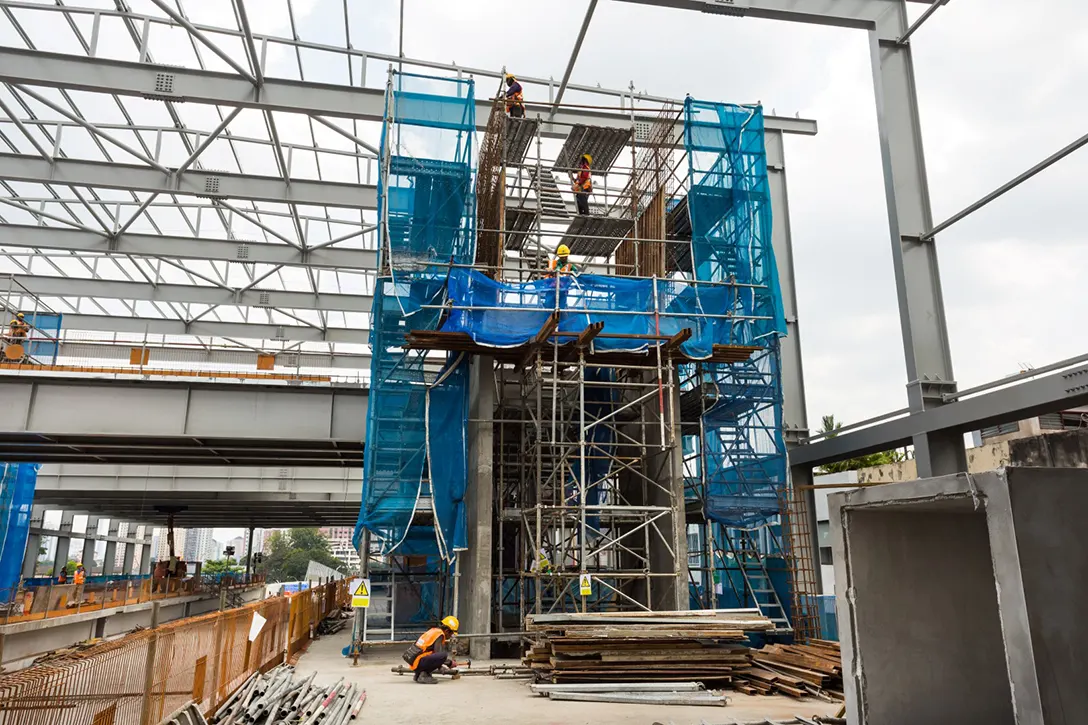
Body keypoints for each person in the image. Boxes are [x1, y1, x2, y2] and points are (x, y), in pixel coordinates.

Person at [402, 615, 459, 684]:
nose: (450, 636)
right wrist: (450, 663)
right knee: (443, 655)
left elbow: (430, 652)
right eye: (451, 634)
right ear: (447, 631)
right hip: (419, 661)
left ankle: (419, 674)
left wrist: (439, 666)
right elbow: (438, 654)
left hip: (415, 661)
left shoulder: (433, 631)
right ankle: (424, 675)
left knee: (438, 655)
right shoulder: (439, 635)